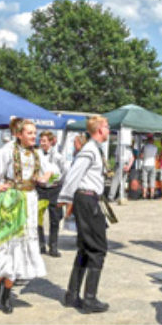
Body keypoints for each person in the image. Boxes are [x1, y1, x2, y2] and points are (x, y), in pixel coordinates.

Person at [0, 119, 54, 313]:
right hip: (10, 201)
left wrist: (45, 176)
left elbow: (52, 170)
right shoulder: (8, 151)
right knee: (5, 245)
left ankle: (7, 294)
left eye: (35, 133)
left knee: (20, 248)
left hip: (29, 201)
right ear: (19, 134)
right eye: (30, 133)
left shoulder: (37, 154)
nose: (34, 136)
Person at [58, 115, 112, 313]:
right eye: (106, 127)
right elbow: (74, 175)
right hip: (88, 200)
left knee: (85, 248)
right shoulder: (89, 149)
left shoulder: (94, 149)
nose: (109, 130)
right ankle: (89, 298)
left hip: (89, 200)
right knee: (98, 249)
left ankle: (72, 294)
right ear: (99, 129)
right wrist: (66, 200)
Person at [36, 130, 66, 257]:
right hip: (41, 189)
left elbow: (64, 172)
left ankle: (53, 246)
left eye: (44, 141)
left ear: (50, 141)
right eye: (41, 141)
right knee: (38, 217)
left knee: (55, 218)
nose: (42, 143)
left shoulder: (58, 156)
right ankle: (40, 244)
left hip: (54, 189)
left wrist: (55, 182)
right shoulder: (36, 154)